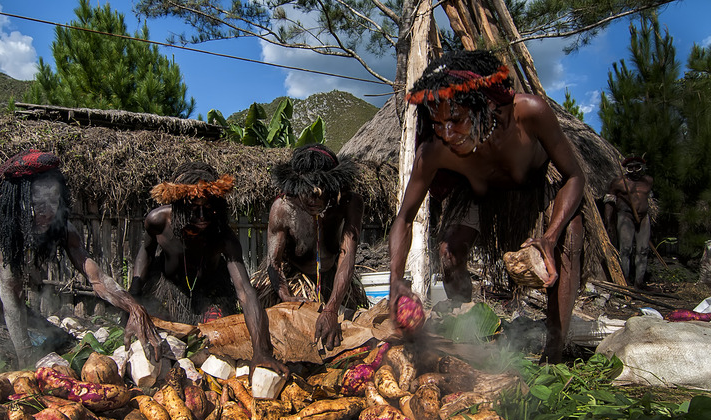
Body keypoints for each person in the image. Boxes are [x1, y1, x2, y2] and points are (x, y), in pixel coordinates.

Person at [388, 50, 585, 363]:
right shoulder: (436, 149)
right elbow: (404, 218)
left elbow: (575, 176)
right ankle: (465, 332)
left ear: (487, 104)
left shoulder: (529, 113)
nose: (448, 134)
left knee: (571, 235)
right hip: (477, 193)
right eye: (438, 124)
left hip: (532, 191)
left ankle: (554, 352)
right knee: (448, 254)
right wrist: (396, 280)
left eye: (456, 120)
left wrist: (550, 235)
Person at [0, 148, 162, 371]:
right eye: (36, 203)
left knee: (71, 349)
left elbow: (97, 278)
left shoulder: (59, 226)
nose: (47, 211)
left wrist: (134, 307)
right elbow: (10, 285)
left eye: (53, 201)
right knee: (20, 366)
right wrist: (26, 361)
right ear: (16, 199)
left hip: (16, 319)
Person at [129, 162, 288, 375]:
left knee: (215, 342)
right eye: (194, 209)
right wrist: (134, 299)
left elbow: (245, 292)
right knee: (163, 340)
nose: (203, 216)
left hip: (211, 291)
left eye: (209, 208)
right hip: (168, 286)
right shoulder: (157, 221)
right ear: (179, 207)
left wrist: (261, 352)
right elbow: (146, 252)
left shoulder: (223, 237)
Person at [253, 143, 366, 351]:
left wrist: (332, 309)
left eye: (320, 191)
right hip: (295, 281)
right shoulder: (283, 208)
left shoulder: (349, 203)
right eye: (306, 190)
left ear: (333, 186)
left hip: (334, 279)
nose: (313, 199)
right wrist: (286, 297)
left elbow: (347, 255)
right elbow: (274, 263)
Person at [604, 156, 653, 288]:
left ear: (642, 168)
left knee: (643, 250)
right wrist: (608, 220)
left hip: (643, 218)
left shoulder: (648, 181)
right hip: (626, 217)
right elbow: (609, 200)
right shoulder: (619, 182)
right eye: (630, 168)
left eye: (636, 167)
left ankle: (639, 282)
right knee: (625, 249)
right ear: (626, 169)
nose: (634, 171)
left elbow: (649, 200)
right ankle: (625, 281)